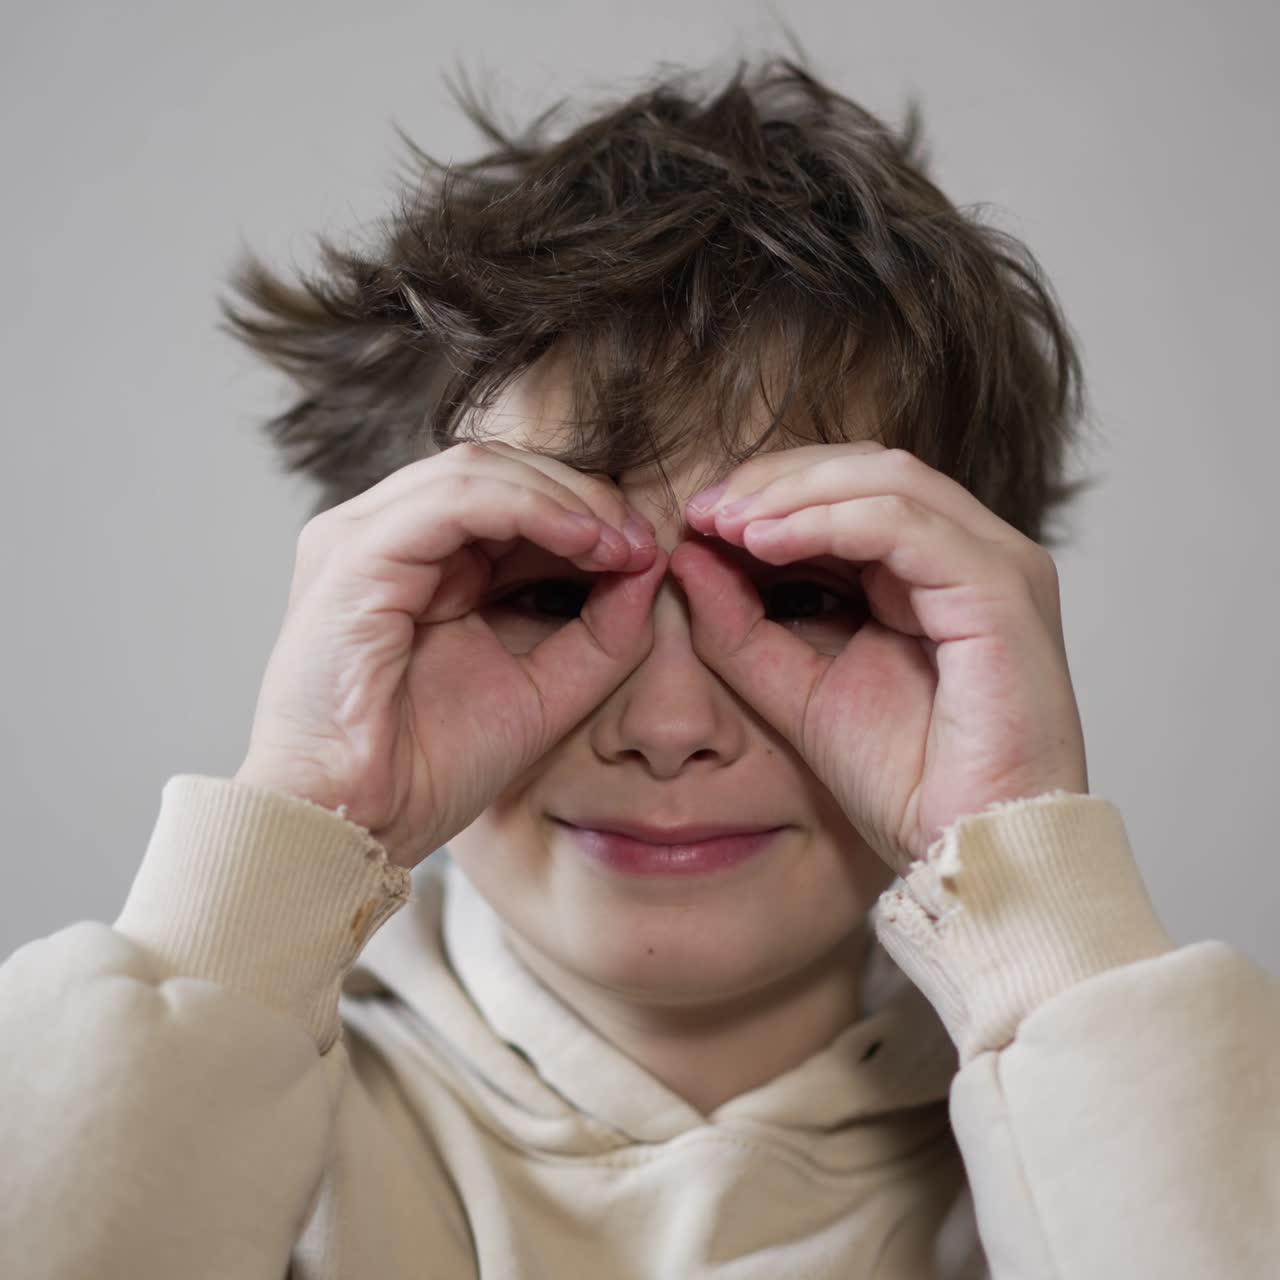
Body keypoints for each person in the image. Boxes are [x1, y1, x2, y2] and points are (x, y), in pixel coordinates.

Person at [0, 53, 1275, 1280]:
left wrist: (1042, 914)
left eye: (808, 595)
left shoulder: (1148, 1126)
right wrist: (299, 823)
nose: (667, 725)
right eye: (547, 591)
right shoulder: (209, 1115)